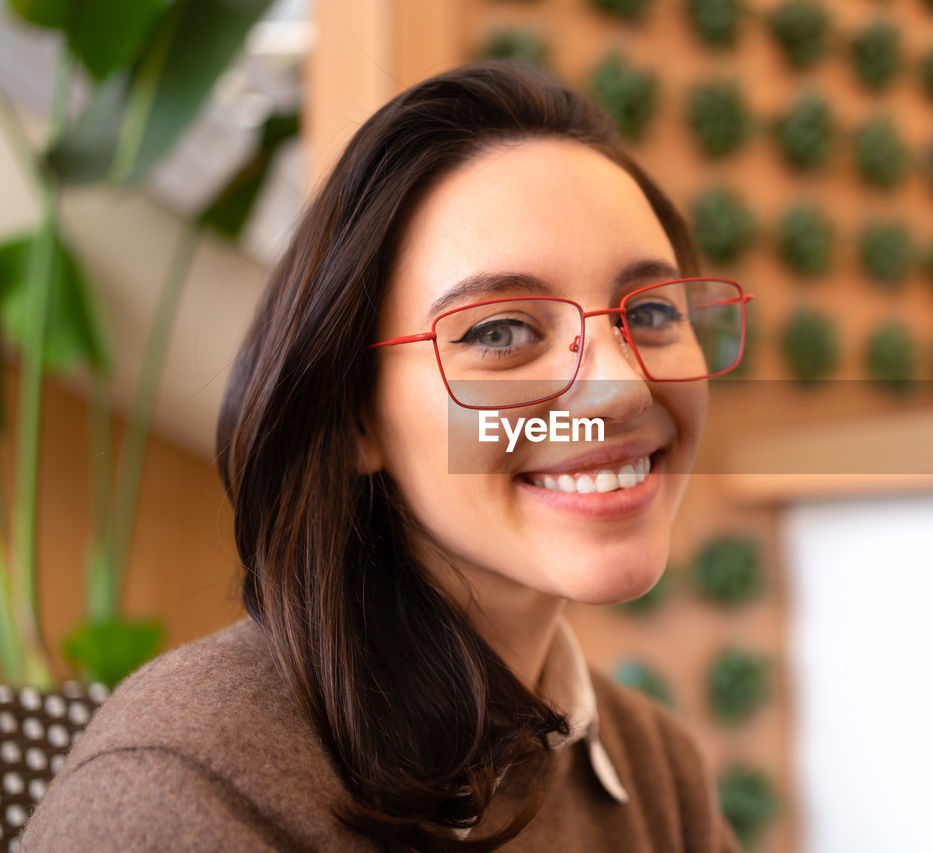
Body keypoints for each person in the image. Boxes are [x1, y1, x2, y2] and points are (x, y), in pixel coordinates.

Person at [20, 60, 750, 851]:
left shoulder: (653, 766)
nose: (622, 389)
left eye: (648, 312)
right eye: (500, 332)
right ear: (356, 415)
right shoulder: (176, 790)